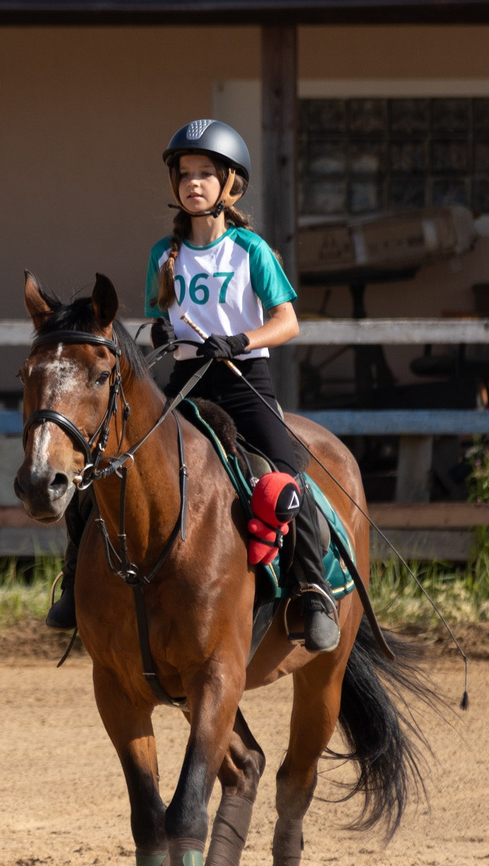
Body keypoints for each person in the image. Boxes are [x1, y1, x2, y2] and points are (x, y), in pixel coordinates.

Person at [45, 116, 341, 652]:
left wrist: (240, 340)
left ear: (231, 185)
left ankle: (313, 589)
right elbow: (164, 316)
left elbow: (289, 321)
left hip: (243, 379)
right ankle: (73, 579)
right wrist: (160, 329)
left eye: (206, 173)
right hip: (184, 381)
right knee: (105, 469)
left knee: (288, 473)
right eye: (185, 174)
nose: (194, 183)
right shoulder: (164, 253)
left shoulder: (252, 250)